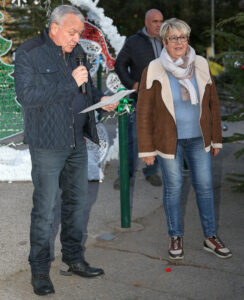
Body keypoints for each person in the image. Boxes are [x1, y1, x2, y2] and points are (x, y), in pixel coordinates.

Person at [14, 5, 117, 296]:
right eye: (72, 33)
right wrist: (68, 82)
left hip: (76, 141)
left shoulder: (77, 53)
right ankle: (39, 269)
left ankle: (73, 259)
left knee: (76, 204)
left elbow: (85, 91)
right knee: (45, 209)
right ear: (55, 27)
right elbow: (27, 96)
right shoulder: (29, 52)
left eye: (79, 33)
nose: (76, 38)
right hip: (47, 143)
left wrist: (103, 98)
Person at [137, 18, 232, 260]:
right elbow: (145, 112)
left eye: (183, 37)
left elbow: (213, 104)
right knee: (173, 188)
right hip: (169, 141)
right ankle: (175, 235)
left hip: (199, 139)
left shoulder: (200, 64)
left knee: (205, 188)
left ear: (187, 39)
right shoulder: (154, 69)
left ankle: (210, 236)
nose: (179, 42)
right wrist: (146, 149)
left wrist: (216, 139)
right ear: (164, 42)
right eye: (173, 38)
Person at [113, 8, 163, 190]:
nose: (158, 25)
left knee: (155, 135)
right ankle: (125, 174)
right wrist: (132, 84)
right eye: (154, 22)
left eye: (160, 21)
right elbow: (119, 64)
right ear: (146, 22)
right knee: (132, 137)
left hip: (161, 99)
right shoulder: (134, 42)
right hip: (138, 98)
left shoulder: (167, 41)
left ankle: (151, 171)